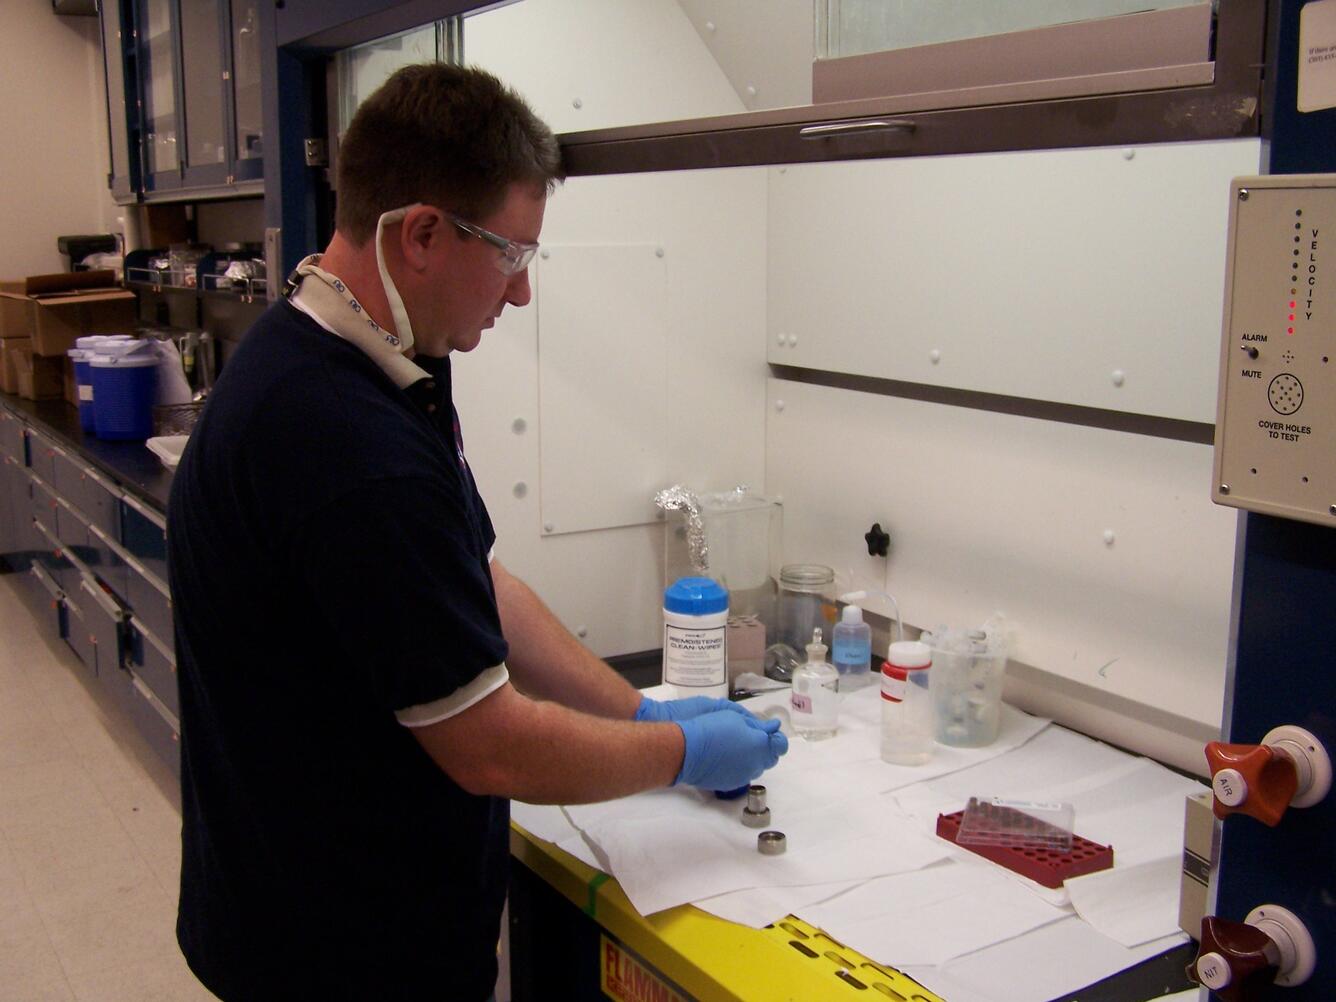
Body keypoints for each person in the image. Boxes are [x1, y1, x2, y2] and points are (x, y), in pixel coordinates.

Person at [166, 63, 787, 1001]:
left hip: (309, 904)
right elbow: (490, 745)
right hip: (337, 954)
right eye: (512, 254)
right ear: (421, 234)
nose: (521, 293)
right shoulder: (341, 440)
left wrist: (637, 712)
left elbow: (478, 578)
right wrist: (680, 755)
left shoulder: (355, 359)